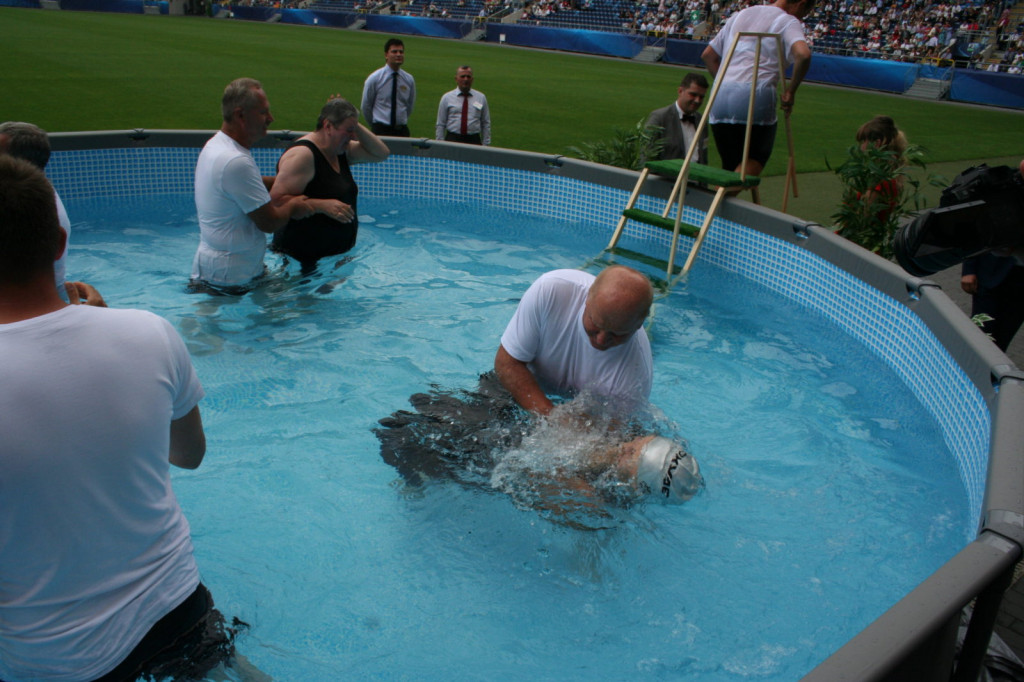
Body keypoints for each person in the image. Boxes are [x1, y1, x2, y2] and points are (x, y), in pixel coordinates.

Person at [0, 155, 238, 680]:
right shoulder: (149, 333)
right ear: (60, 244)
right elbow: (190, 456)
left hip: (61, 656)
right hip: (177, 604)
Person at [191, 77, 312, 292]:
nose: (271, 118)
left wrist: (286, 181)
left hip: (218, 267)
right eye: (263, 112)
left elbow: (245, 185)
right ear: (240, 115)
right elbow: (269, 222)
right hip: (231, 278)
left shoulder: (216, 145)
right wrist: (295, 205)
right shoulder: (236, 161)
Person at [494, 266, 654, 417]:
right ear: (587, 299)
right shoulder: (551, 291)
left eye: (616, 333)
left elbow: (612, 428)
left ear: (639, 325)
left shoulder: (636, 375)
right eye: (596, 324)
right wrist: (550, 416)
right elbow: (507, 363)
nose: (601, 340)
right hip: (522, 381)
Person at [269, 96, 390, 271]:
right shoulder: (303, 156)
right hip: (300, 260)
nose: (353, 136)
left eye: (353, 130)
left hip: (330, 259)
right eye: (348, 130)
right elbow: (277, 202)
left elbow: (382, 153)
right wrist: (320, 205)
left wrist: (353, 122)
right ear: (328, 126)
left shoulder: (341, 150)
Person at [700, 0, 814, 179]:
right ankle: (717, 196)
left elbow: (708, 55)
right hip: (755, 93)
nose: (802, 18)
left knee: (731, 167)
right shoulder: (787, 21)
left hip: (720, 97)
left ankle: (718, 199)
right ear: (801, 4)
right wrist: (791, 92)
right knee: (756, 159)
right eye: (805, 13)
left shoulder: (740, 14)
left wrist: (724, 83)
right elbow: (803, 54)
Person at [960, 158, 1024, 352]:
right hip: (989, 275)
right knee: (980, 336)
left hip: (1021, 284)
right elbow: (974, 226)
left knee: (1002, 339)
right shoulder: (1002, 184)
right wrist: (968, 269)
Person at [644, 73, 710, 163]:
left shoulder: (701, 120)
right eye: (693, 95)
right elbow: (646, 156)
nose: (697, 100)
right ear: (680, 91)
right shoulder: (659, 118)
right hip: (668, 176)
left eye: (701, 97)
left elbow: (703, 157)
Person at [362, 38, 416, 138]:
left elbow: (409, 106)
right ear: (386, 55)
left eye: (401, 52)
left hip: (401, 131)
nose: (398, 54)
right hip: (381, 129)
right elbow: (366, 106)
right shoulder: (375, 78)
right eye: (394, 52)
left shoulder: (409, 79)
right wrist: (375, 124)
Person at [435, 65, 492, 146]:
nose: (466, 79)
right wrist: (440, 143)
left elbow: (485, 123)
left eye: (468, 76)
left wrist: (486, 144)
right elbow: (441, 123)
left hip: (473, 140)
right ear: (456, 79)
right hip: (453, 139)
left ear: (472, 79)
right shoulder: (447, 98)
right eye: (462, 76)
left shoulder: (481, 97)